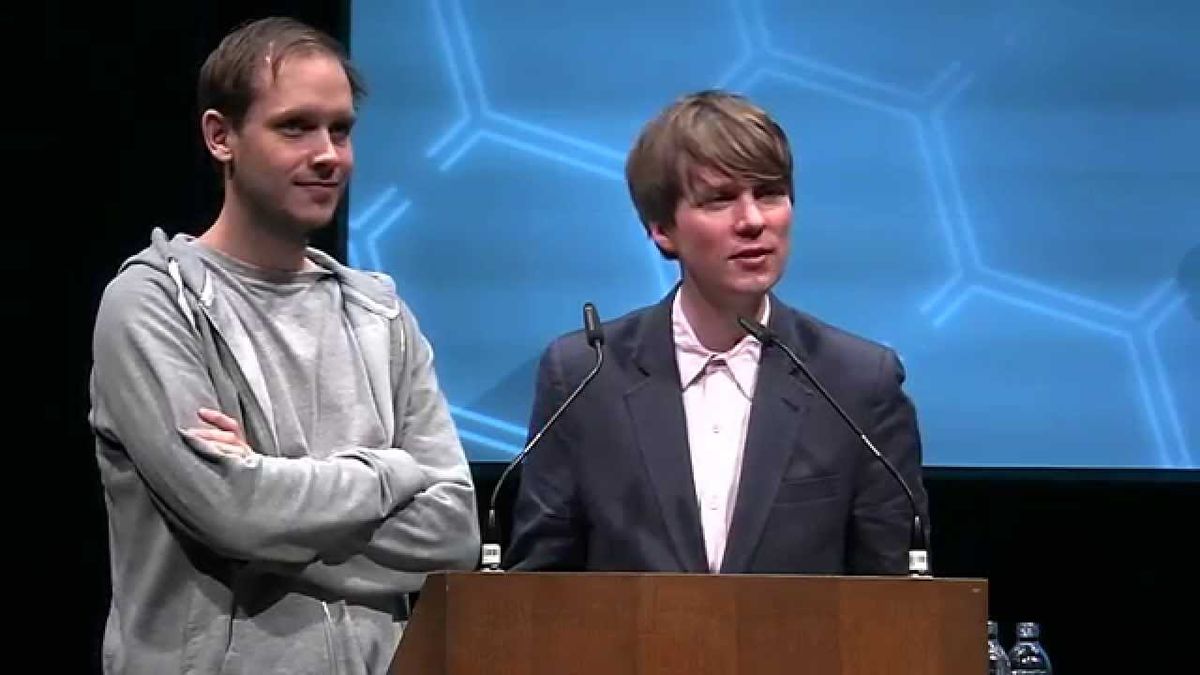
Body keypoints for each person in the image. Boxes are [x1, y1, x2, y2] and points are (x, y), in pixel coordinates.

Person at [89, 17, 479, 674]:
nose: (328, 153)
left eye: (341, 129)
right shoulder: (153, 303)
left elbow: (454, 534)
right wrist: (392, 473)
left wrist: (271, 504)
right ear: (221, 137)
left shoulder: (380, 311)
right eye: (295, 127)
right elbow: (233, 511)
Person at [504, 90, 928, 575]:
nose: (752, 221)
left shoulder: (857, 382)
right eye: (720, 199)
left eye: (769, 194)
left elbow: (897, 594)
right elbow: (538, 589)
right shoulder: (585, 375)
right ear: (662, 229)